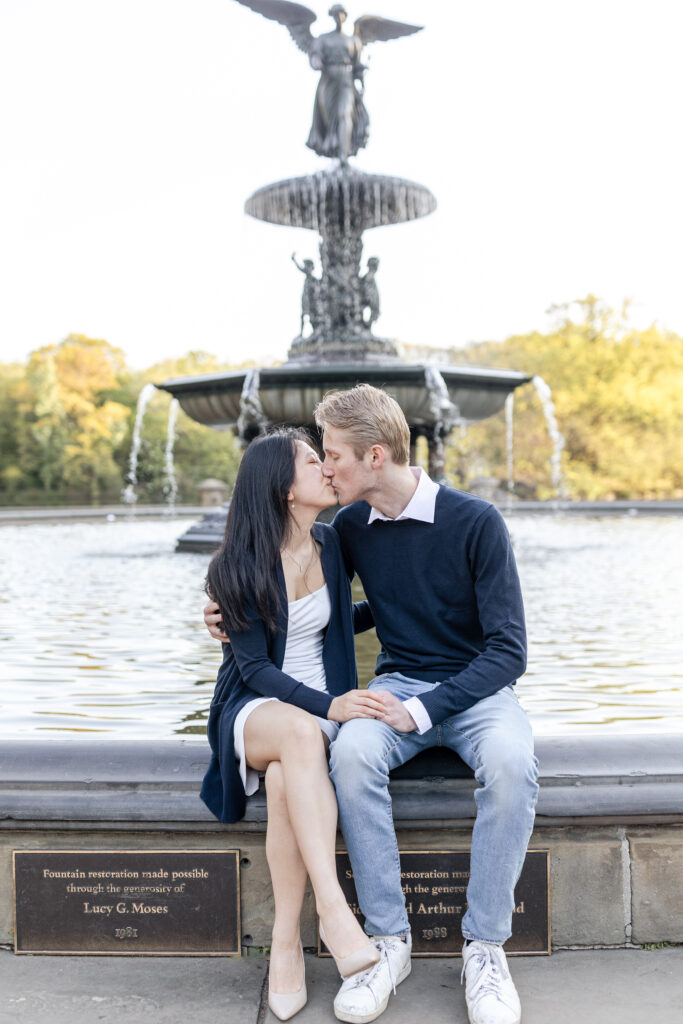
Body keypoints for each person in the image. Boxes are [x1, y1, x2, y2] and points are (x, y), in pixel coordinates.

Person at [205, 386, 538, 1024]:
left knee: (512, 763)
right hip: (393, 685)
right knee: (352, 754)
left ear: (375, 455)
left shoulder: (477, 522)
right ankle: (387, 941)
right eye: (319, 459)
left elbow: (509, 651)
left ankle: (486, 947)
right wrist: (233, 614)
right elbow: (321, 600)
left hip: (476, 690)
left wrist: (426, 709)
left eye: (332, 456)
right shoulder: (350, 528)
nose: (326, 468)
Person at [200, 428, 383, 1021]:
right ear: (283, 488)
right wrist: (330, 707)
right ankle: (334, 913)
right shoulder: (237, 563)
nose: (327, 469)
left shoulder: (332, 542)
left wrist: (412, 603)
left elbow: (340, 621)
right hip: (255, 708)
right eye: (313, 461)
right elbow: (252, 666)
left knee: (285, 781)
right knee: (299, 735)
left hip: (315, 715)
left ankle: (285, 946)